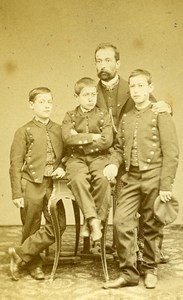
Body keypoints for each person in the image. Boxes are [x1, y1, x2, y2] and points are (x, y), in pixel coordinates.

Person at [95, 42, 171, 263]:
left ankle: (148, 251)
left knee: (147, 204)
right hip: (106, 156)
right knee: (118, 206)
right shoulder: (91, 90)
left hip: (130, 155)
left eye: (108, 60)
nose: (103, 65)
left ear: (118, 63)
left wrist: (168, 108)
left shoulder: (134, 87)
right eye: (99, 60)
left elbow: (154, 110)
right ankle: (120, 250)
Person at [103, 69, 179, 289]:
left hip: (155, 177)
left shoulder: (160, 114)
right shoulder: (126, 118)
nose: (136, 91)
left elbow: (171, 151)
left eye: (140, 86)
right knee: (121, 222)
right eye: (133, 87)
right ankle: (128, 272)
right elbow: (118, 148)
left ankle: (150, 268)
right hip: (131, 177)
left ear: (150, 88)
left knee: (152, 224)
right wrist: (112, 163)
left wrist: (166, 184)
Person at [9, 87, 66, 281]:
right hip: (31, 183)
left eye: (49, 101)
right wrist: (17, 193)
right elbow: (15, 164)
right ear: (31, 105)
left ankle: (19, 254)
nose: (46, 105)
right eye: (41, 101)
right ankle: (34, 265)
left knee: (58, 225)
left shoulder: (59, 129)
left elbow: (69, 154)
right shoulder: (23, 131)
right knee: (31, 225)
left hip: (54, 184)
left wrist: (63, 167)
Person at [61, 77, 113, 242]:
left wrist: (81, 139)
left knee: (103, 179)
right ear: (77, 96)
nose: (91, 98)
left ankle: (91, 222)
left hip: (99, 157)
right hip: (76, 159)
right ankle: (93, 221)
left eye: (93, 94)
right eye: (86, 95)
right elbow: (67, 138)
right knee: (77, 179)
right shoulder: (70, 116)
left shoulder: (104, 115)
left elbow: (107, 140)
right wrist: (93, 136)